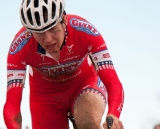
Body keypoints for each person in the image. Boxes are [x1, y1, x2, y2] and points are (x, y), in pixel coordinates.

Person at [3, 0, 124, 129]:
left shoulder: (84, 30)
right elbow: (12, 104)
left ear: (64, 20)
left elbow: (113, 83)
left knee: (88, 123)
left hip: (84, 84)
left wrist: (113, 116)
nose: (48, 39)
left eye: (53, 29)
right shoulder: (19, 46)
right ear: (30, 31)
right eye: (39, 33)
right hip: (45, 98)